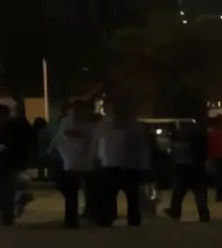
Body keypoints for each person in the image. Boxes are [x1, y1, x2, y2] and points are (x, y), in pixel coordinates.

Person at [93, 98, 149, 227]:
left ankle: (131, 220)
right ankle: (108, 219)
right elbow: (96, 143)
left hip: (127, 165)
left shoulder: (132, 125)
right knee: (110, 195)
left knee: (131, 197)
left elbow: (141, 146)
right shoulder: (105, 124)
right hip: (112, 165)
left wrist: (144, 165)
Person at [51, 100, 97, 229]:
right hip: (73, 162)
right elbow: (62, 138)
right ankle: (73, 218)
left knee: (84, 191)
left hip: (81, 162)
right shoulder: (68, 122)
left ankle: (84, 215)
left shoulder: (87, 124)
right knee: (72, 192)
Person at [166, 106, 212, 223]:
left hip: (186, 166)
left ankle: (176, 211)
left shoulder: (189, 135)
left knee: (180, 190)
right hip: (195, 166)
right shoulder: (199, 134)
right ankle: (203, 214)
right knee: (197, 192)